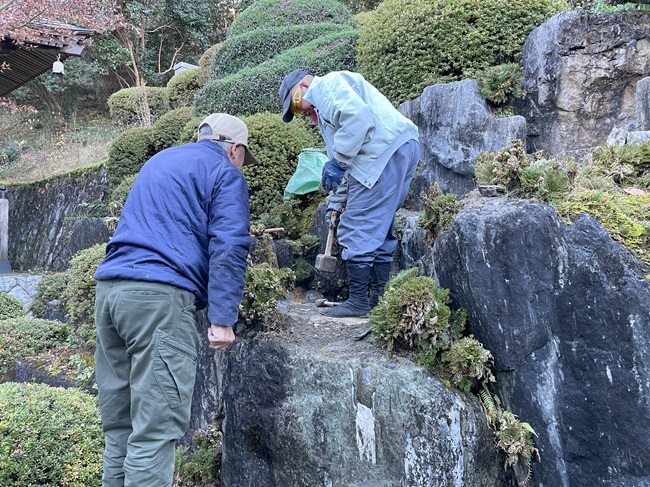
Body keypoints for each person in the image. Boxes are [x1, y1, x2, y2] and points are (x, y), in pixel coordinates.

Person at [93, 113, 258, 487]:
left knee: (120, 427)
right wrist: (222, 318)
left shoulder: (160, 161)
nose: (241, 167)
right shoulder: (224, 173)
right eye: (242, 159)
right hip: (158, 301)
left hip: (109, 292)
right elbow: (229, 245)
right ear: (235, 149)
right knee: (154, 431)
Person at [278, 69, 420, 318]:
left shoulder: (325, 87)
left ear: (303, 85)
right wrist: (334, 203)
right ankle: (378, 299)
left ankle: (358, 302)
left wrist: (338, 162)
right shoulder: (328, 110)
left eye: (296, 104)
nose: (300, 112)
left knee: (358, 226)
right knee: (378, 226)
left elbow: (357, 121)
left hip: (380, 154)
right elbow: (344, 164)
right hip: (397, 149)